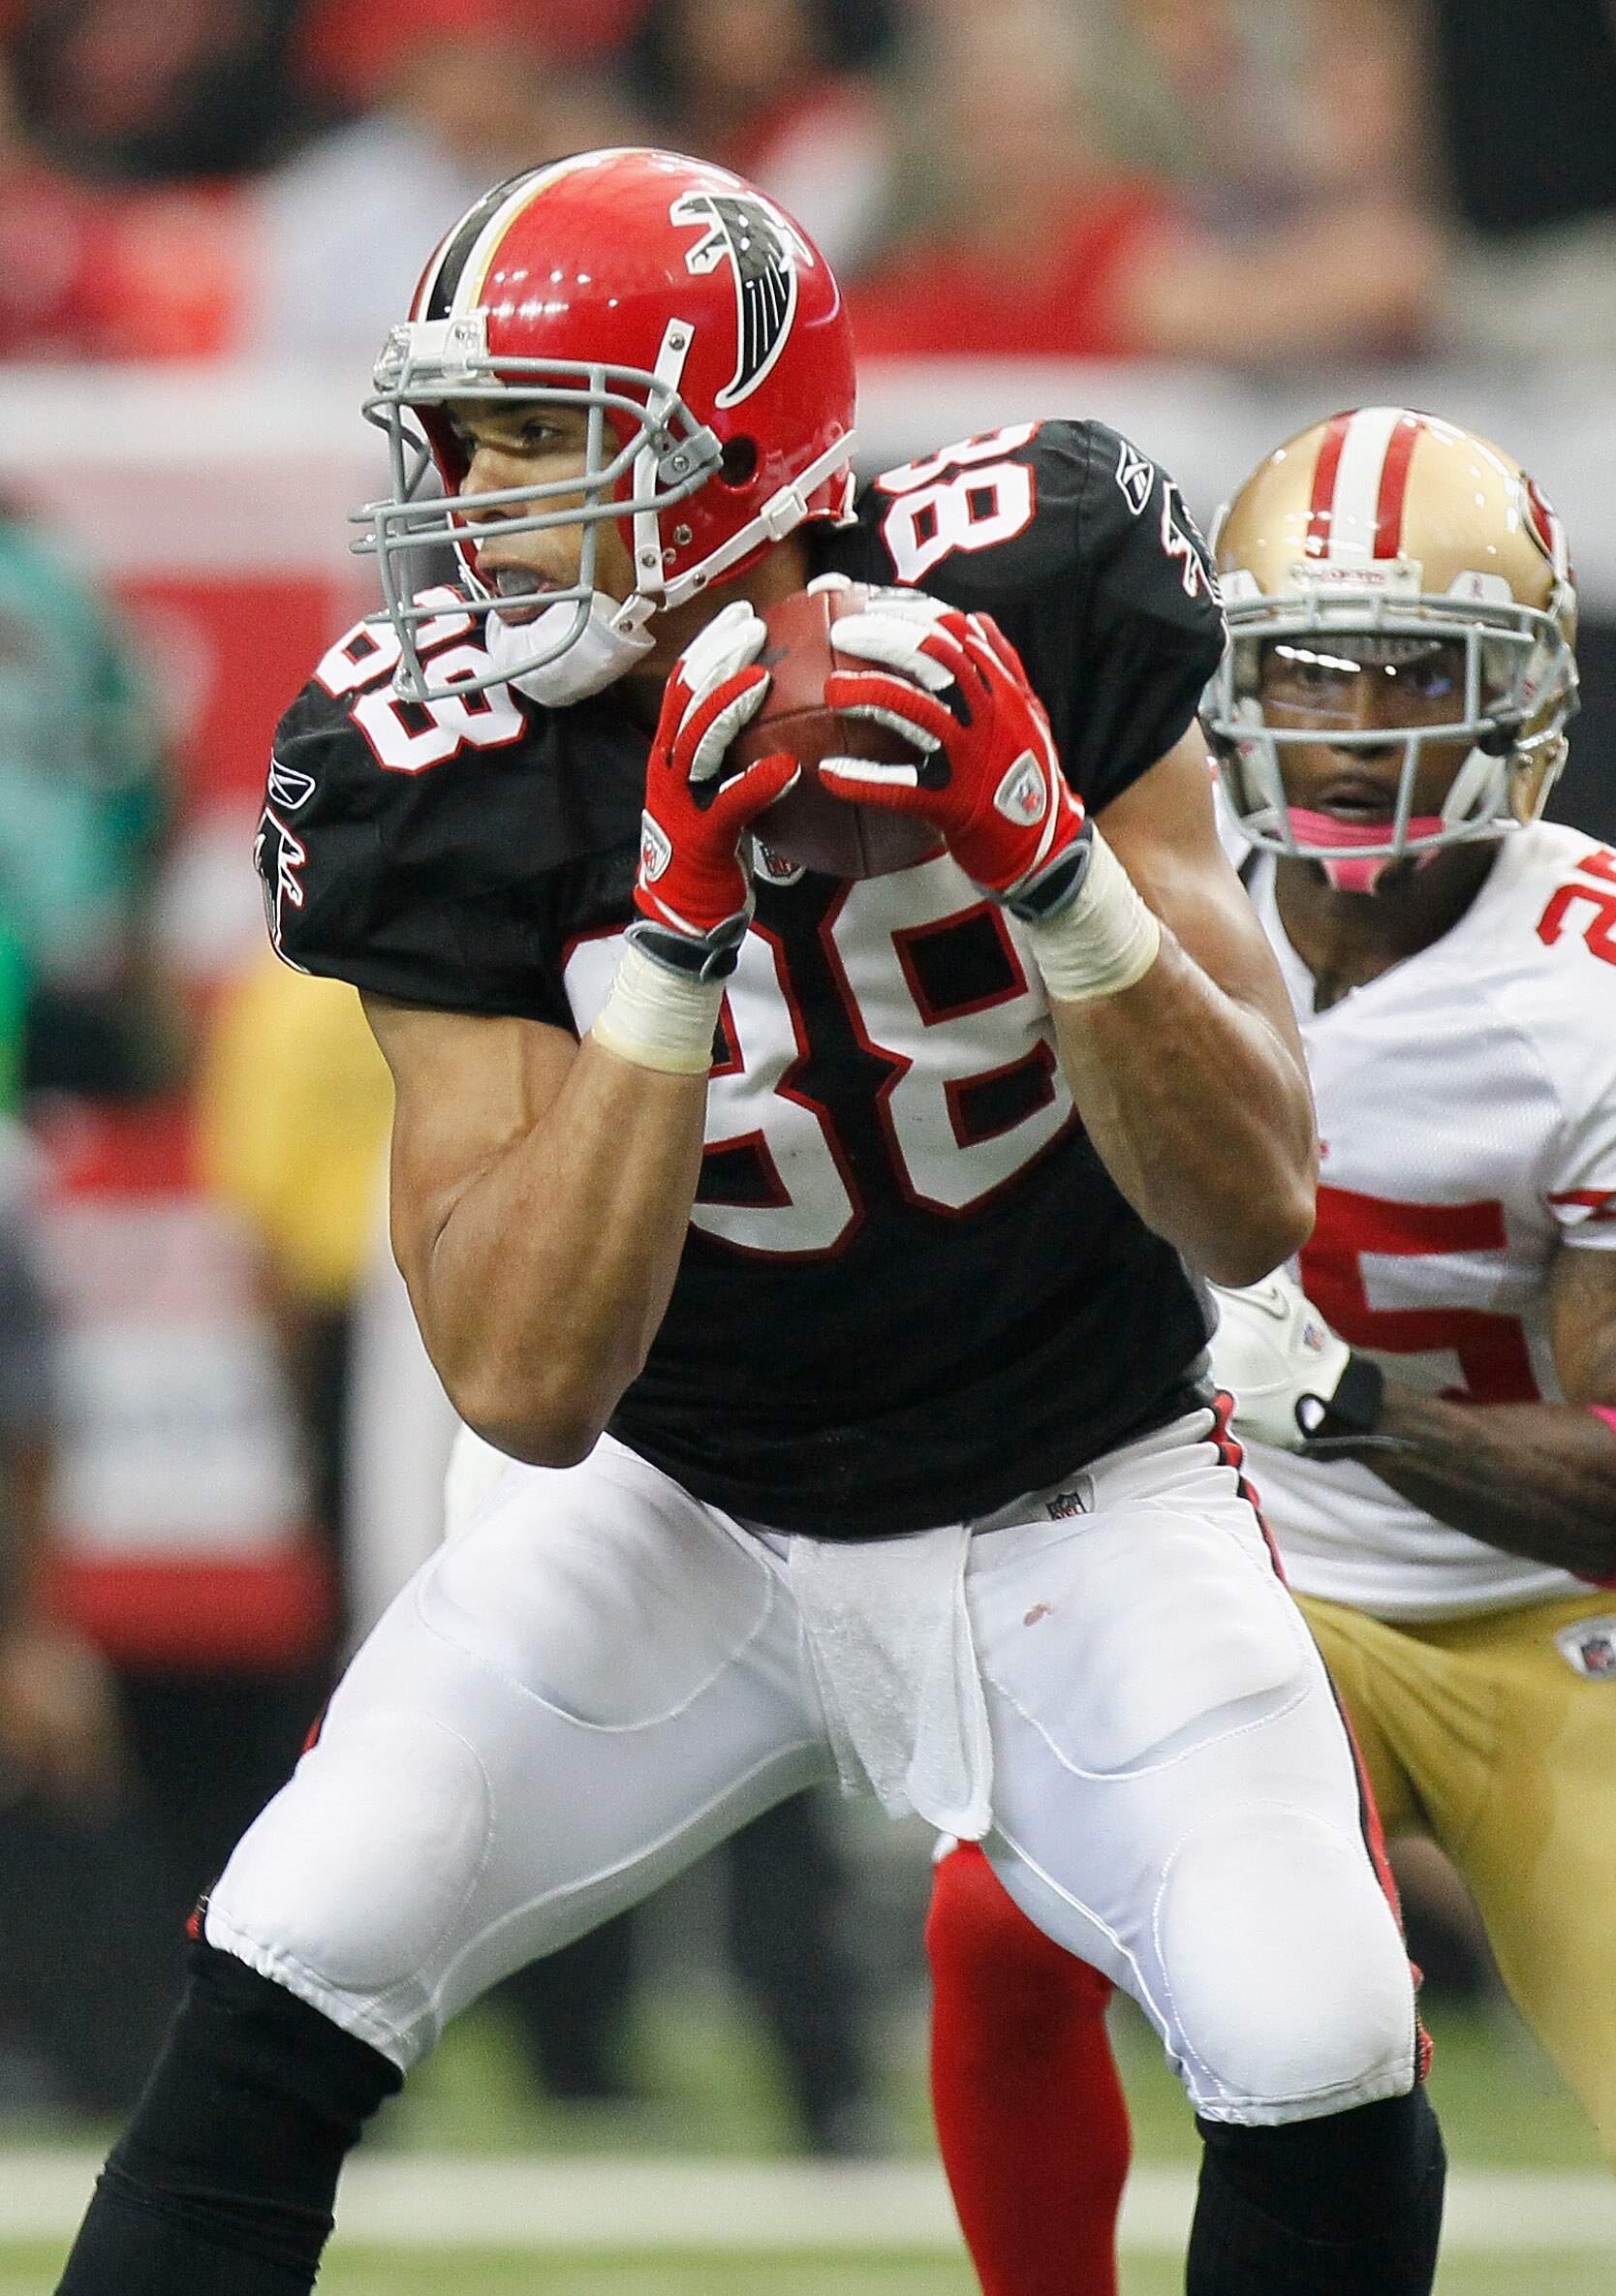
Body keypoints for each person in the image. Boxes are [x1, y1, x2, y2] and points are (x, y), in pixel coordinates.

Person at [54, 154, 1445, 2296]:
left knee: (1317, 2029)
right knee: (301, 1938)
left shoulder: (1045, 567)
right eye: (458, 430)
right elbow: (523, 1385)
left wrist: (1051, 865)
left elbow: (1249, 1199)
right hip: (672, 1498)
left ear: (730, 447)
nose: (468, 489)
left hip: (1076, 1483)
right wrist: (674, 936)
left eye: (532, 431)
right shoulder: (436, 756)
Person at [924, 404, 1615, 2295]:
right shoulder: (1141, 891)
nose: (1358, 724)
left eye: (1416, 674)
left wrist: (1339, 1398)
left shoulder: (1588, 985)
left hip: (1538, 1628)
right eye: (1312, 671)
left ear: (1525, 695)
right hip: (1243, 1578)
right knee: (997, 1924)